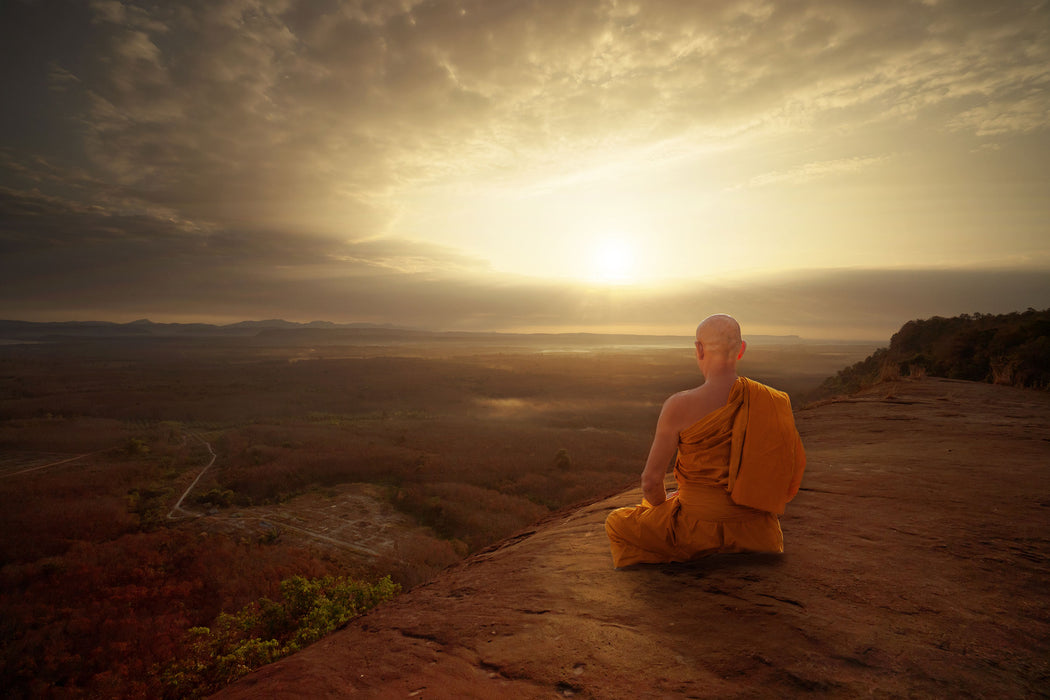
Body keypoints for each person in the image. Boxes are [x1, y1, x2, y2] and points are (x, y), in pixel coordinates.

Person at [605, 314, 806, 568]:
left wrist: (665, 510)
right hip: (759, 535)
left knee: (616, 521)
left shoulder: (678, 405)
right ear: (741, 349)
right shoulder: (774, 401)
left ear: (699, 350)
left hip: (695, 533)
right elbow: (786, 475)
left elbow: (650, 482)